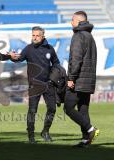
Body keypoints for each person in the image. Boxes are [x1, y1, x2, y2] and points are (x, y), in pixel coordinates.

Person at [10, 26, 60, 143]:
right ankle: (31, 136)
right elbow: (19, 59)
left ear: (43, 36)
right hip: (34, 85)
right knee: (32, 111)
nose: (35, 37)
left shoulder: (49, 49)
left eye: (37, 35)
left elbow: (56, 63)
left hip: (48, 84)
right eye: (33, 35)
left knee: (52, 109)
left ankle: (45, 132)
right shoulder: (28, 49)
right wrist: (11, 57)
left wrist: (55, 76)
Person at [64, 11, 99, 147]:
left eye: (72, 20)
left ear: (78, 21)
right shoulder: (90, 36)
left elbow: (76, 59)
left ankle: (91, 130)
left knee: (68, 108)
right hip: (88, 80)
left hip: (78, 80)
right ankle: (86, 140)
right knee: (83, 110)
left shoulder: (78, 36)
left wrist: (71, 77)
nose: (71, 22)